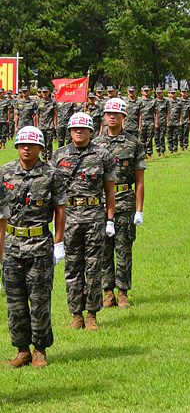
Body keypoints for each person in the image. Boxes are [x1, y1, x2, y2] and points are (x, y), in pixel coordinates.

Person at [1, 126, 67, 367]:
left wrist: (58, 243)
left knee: (39, 300)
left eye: (31, 144)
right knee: (15, 301)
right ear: (17, 146)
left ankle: (40, 350)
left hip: (39, 244)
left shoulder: (51, 175)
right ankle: (22, 350)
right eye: (22, 144)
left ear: (40, 147)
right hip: (11, 245)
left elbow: (61, 211)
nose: (26, 148)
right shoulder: (5, 173)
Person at [51, 112, 116, 331]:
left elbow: (109, 190)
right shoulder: (58, 155)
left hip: (94, 217)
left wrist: (109, 220)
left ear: (90, 130)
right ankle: (76, 314)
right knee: (72, 267)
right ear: (69, 131)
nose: (79, 131)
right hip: (68, 218)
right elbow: (52, 192)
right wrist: (54, 223)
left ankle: (92, 315)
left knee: (94, 267)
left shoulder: (102, 154)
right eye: (75, 128)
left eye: (83, 128)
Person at [96, 97, 146, 308]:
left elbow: (140, 180)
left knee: (124, 247)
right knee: (104, 248)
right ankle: (107, 291)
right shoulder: (95, 144)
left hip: (125, 199)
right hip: (100, 202)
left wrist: (139, 210)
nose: (111, 117)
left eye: (116, 114)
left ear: (124, 117)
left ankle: (123, 291)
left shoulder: (134, 143)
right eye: (108, 114)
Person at [36, 87, 57, 161]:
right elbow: (37, 115)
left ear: (49, 92)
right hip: (41, 125)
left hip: (49, 125)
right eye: (43, 92)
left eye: (46, 92)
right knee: (42, 142)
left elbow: (55, 114)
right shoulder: (38, 102)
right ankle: (44, 158)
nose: (45, 93)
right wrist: (37, 125)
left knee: (49, 143)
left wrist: (55, 124)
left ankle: (50, 158)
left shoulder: (53, 102)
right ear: (41, 93)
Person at [154, 86, 169, 157]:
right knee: (156, 137)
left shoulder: (166, 101)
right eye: (157, 93)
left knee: (162, 137)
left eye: (160, 93)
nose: (159, 94)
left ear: (162, 93)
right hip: (155, 122)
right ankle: (158, 151)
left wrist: (167, 122)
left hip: (163, 121)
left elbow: (168, 112)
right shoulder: (154, 101)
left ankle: (162, 151)